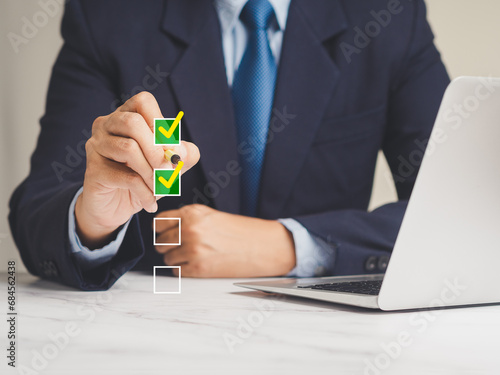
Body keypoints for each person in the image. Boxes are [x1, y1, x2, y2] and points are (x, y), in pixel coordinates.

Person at [9, 0, 449, 290]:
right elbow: (37, 210)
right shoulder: (109, 15)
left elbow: (461, 212)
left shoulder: (390, 16)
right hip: (155, 339)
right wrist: (93, 219)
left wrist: (288, 245)